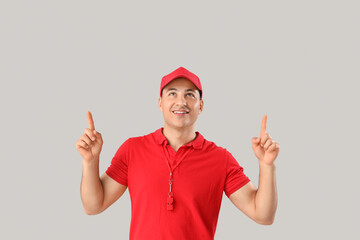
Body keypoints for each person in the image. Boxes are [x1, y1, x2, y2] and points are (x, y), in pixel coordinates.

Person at [76, 66, 280, 240]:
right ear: (160, 103)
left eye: (190, 95)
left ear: (201, 106)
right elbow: (94, 206)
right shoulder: (133, 149)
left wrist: (267, 165)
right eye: (172, 93)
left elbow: (263, 215)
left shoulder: (221, 159)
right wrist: (90, 161)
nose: (180, 102)